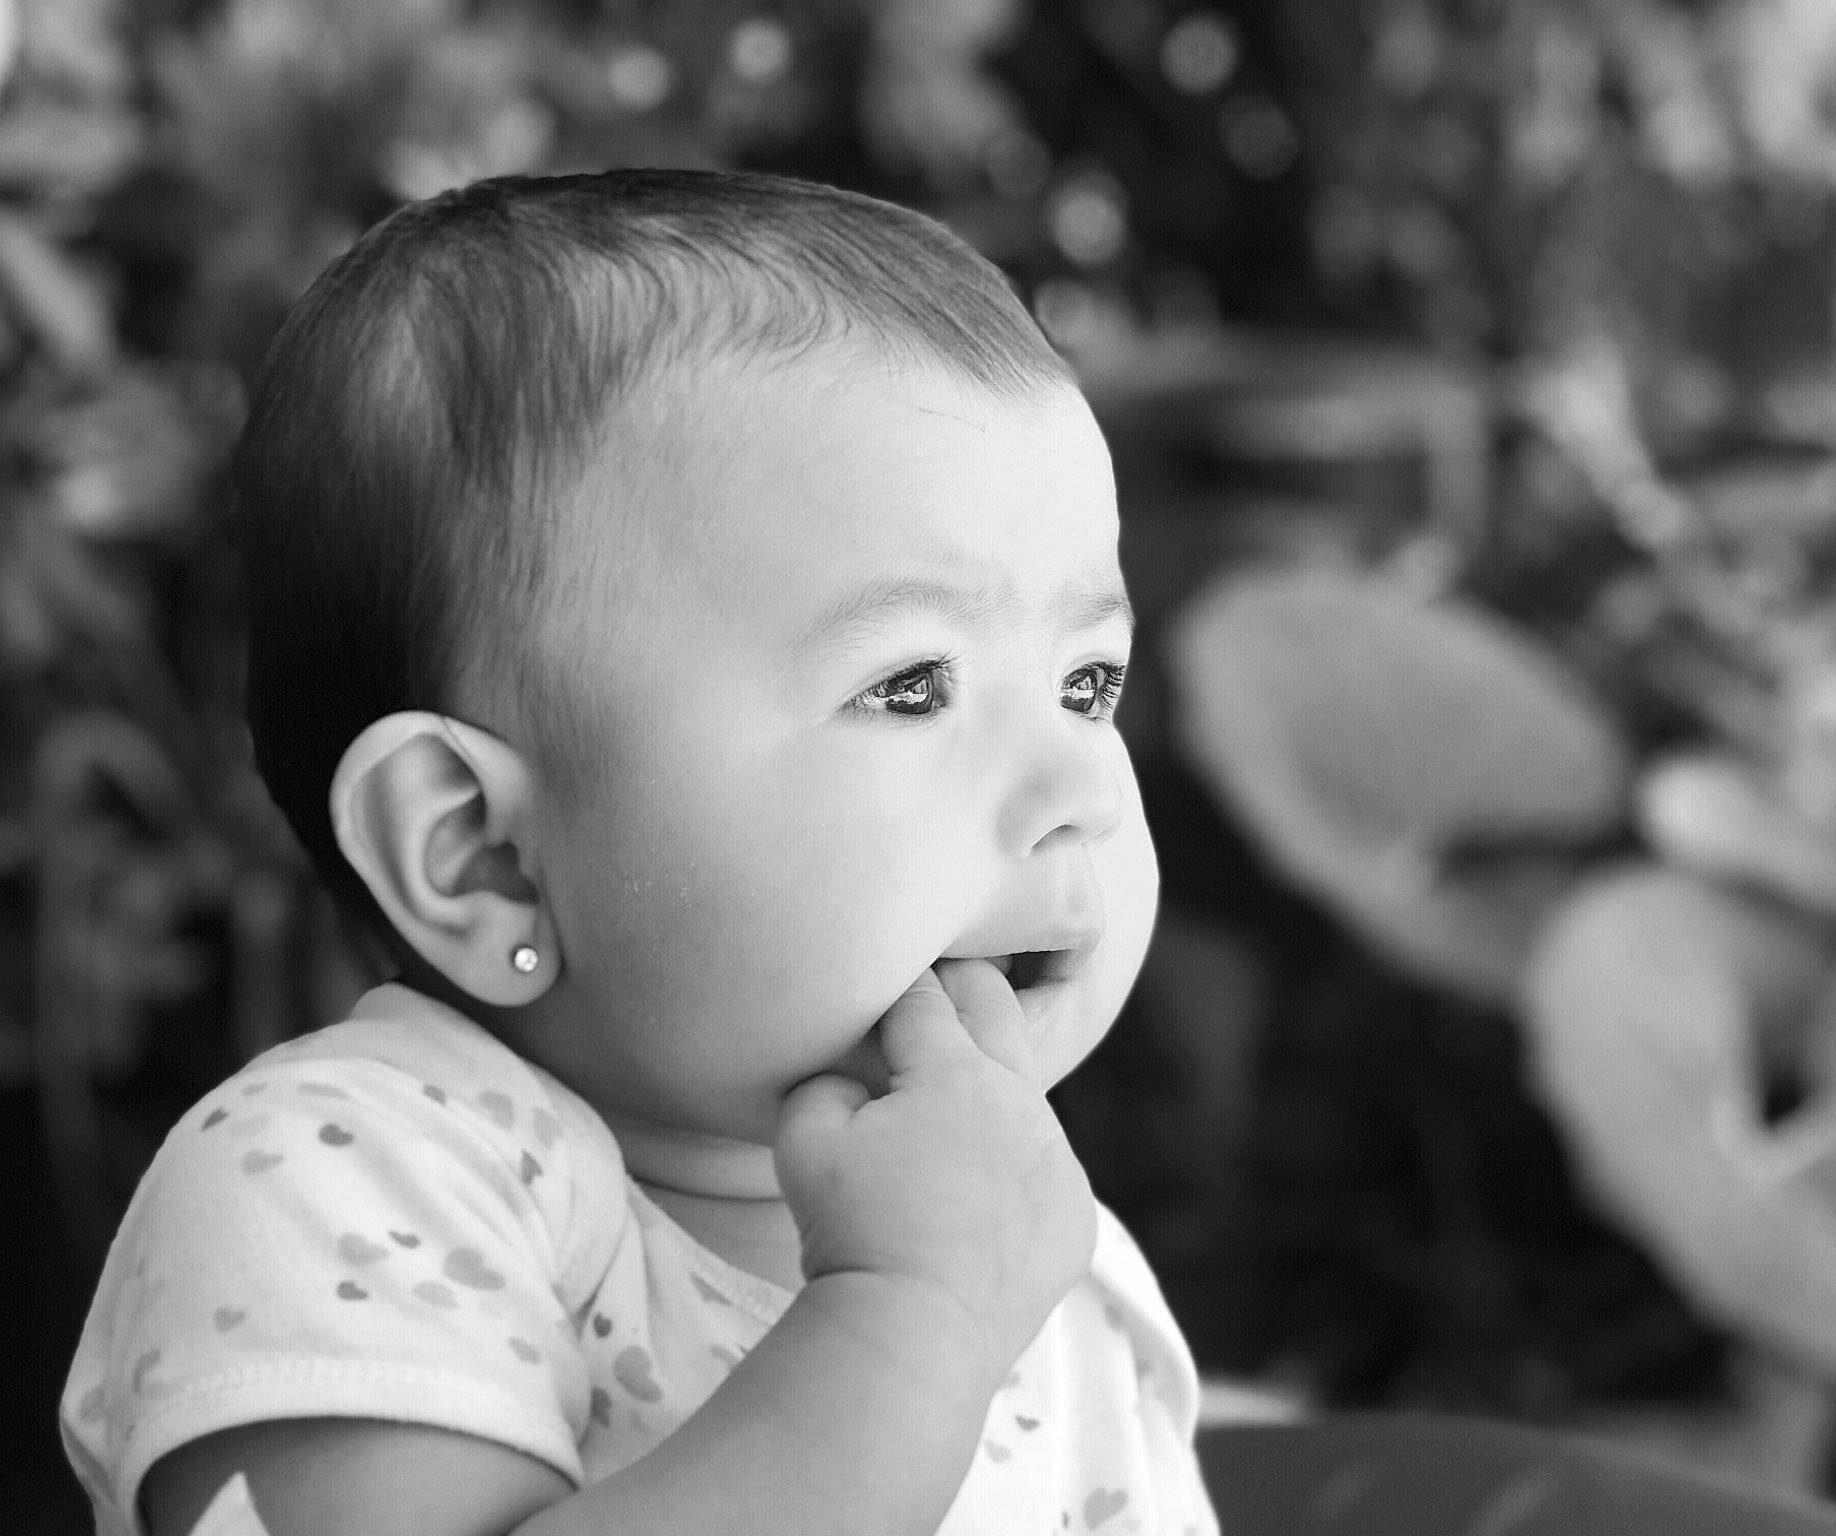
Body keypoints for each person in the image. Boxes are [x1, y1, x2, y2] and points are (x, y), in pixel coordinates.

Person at [60, 167, 1216, 1536]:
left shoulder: (1041, 1255)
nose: (1080, 787)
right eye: (911, 687)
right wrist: (915, 1322)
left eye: (1088, 685)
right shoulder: (339, 1181)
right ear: (483, 855)